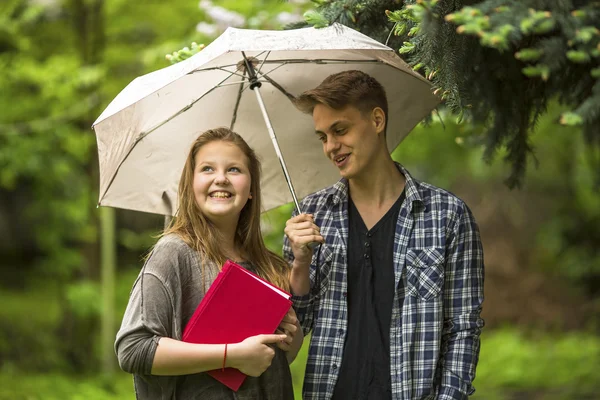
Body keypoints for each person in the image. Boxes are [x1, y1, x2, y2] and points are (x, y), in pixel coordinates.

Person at [284, 70, 485, 400]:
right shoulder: (310, 216)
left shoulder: (447, 215)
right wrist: (300, 263)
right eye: (323, 137)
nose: (331, 147)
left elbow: (463, 328)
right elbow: (295, 327)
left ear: (377, 120)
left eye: (340, 130)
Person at [116, 127, 302, 400]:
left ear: (251, 189)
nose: (221, 179)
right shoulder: (173, 253)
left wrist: (290, 336)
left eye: (235, 170)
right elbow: (133, 348)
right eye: (207, 169)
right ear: (190, 185)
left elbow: (277, 362)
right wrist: (231, 356)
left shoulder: (268, 265)